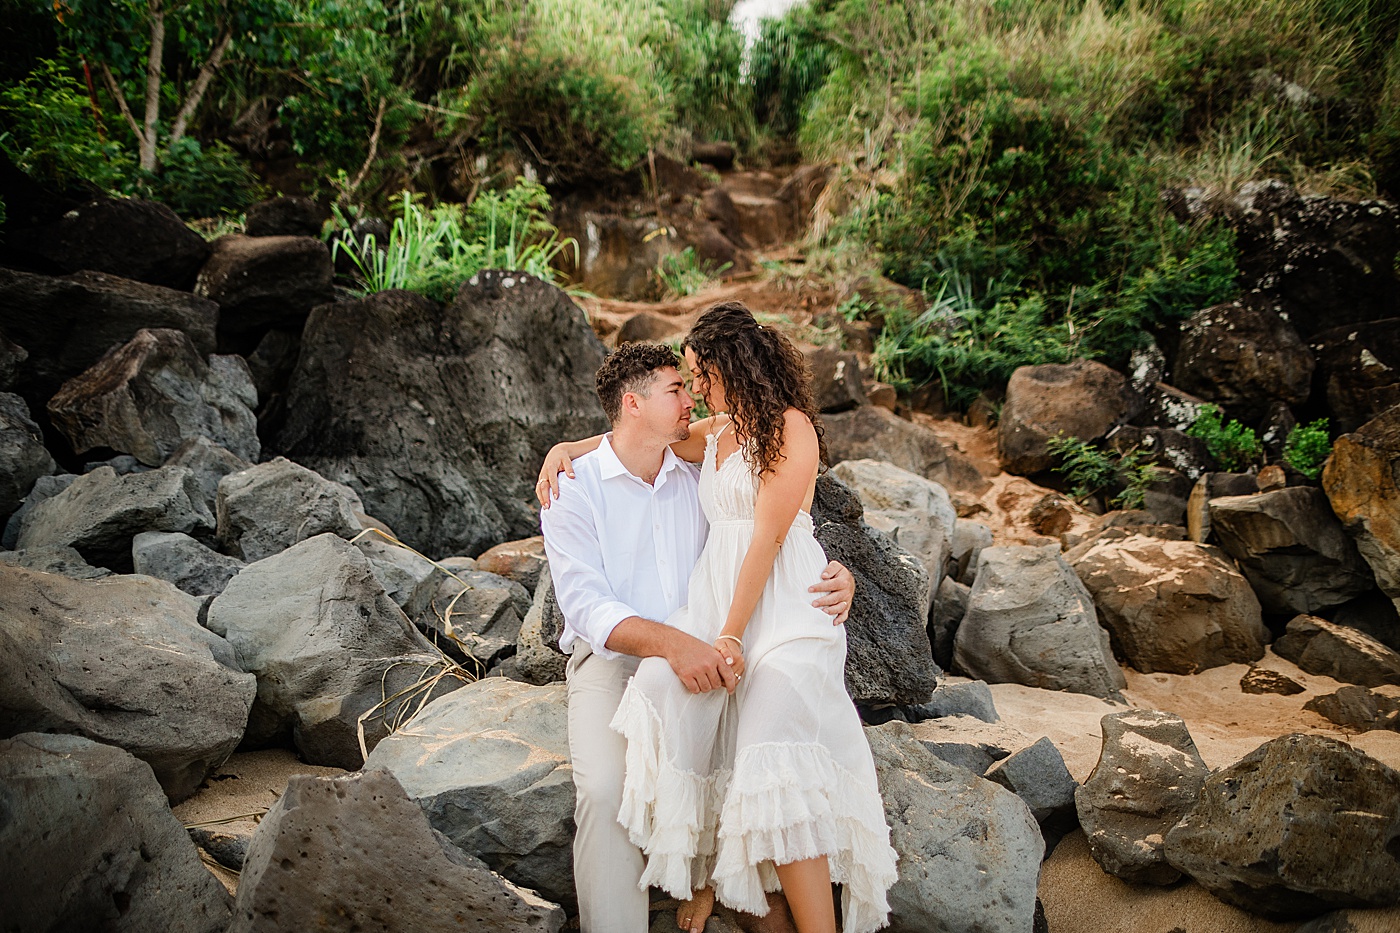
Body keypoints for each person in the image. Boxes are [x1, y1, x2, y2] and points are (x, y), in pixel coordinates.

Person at [536, 338, 858, 933]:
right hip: (616, 658)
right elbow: (585, 608)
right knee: (606, 794)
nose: (692, 395)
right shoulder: (573, 486)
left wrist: (838, 573)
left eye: (693, 382)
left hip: (710, 647)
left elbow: (771, 531)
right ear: (633, 403)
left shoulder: (699, 467)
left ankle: (706, 876)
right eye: (677, 388)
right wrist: (674, 646)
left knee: (749, 755)